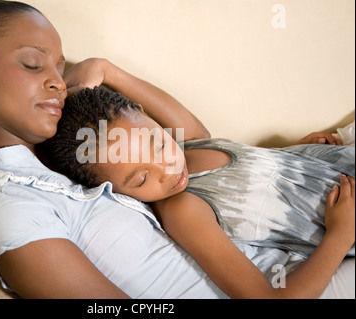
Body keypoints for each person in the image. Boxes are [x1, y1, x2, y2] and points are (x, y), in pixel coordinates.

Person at [0, 0, 353, 299]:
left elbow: (195, 143)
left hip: (301, 251)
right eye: (33, 63)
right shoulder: (15, 209)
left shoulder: (64, 152)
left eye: (59, 67)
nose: (54, 81)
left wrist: (107, 70)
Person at [39, 86, 355, 299]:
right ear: (114, 191)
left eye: (159, 143)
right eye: (141, 179)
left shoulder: (192, 144)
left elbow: (256, 181)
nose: (168, 168)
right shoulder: (183, 210)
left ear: (147, 115)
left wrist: (297, 152)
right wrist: (340, 235)